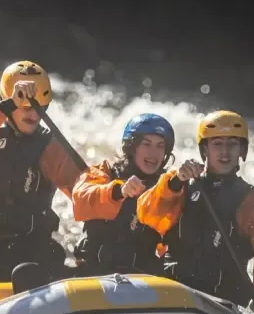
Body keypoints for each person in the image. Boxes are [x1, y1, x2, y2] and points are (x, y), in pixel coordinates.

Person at [137, 110, 254, 314]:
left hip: (222, 303)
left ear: (242, 150)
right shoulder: (181, 184)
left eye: (232, 144)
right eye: (217, 144)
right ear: (204, 149)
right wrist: (175, 182)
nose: (225, 152)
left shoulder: (253, 202)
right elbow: (146, 213)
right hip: (173, 291)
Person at [0, 61, 84, 286]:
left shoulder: (52, 148)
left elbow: (84, 192)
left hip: (33, 249)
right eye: (24, 104)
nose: (32, 112)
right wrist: (5, 106)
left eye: (38, 105)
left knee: (41, 261)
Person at [69, 113, 175, 276]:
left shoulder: (166, 190)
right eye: (146, 144)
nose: (154, 153)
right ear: (132, 147)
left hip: (141, 280)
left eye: (160, 146)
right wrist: (118, 191)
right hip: (94, 274)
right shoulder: (102, 174)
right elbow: (81, 200)